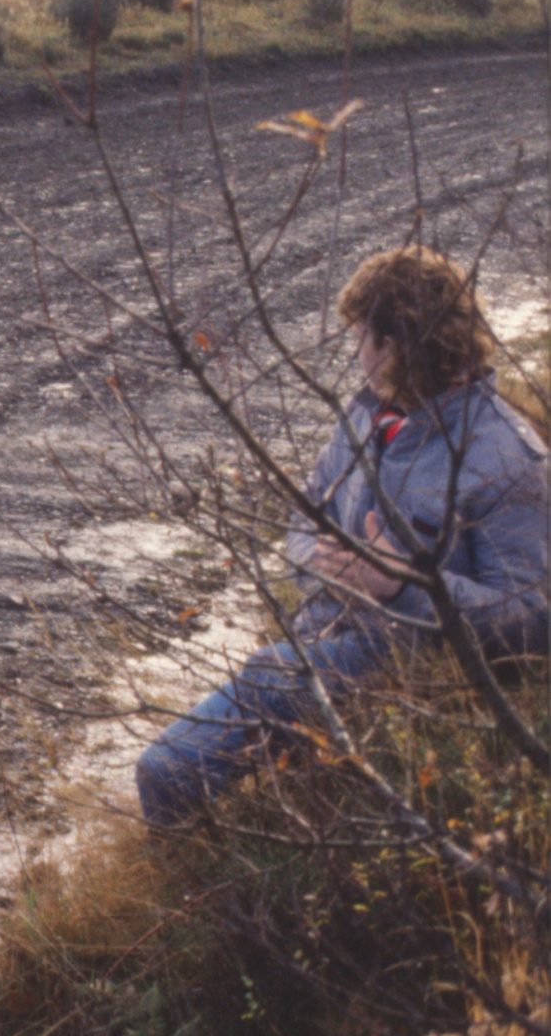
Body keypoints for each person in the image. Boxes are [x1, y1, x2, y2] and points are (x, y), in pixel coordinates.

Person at [136, 247, 548, 828]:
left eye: (362, 338)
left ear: (396, 347)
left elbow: (534, 624)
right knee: (200, 773)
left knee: (168, 770)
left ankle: (181, 883)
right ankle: (194, 869)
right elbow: (303, 524)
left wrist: (398, 587)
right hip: (319, 647)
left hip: (410, 680)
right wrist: (324, 566)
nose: (356, 356)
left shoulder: (506, 456)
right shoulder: (364, 416)